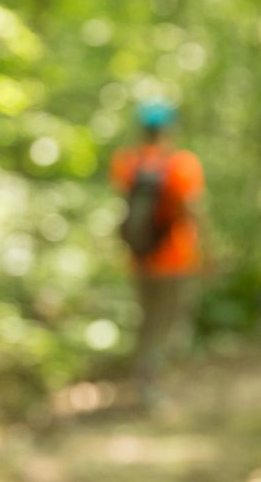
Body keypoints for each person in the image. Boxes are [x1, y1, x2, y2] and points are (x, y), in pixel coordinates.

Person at [109, 98, 206, 408]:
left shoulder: (126, 162)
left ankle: (145, 381)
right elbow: (193, 211)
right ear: (169, 128)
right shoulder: (182, 165)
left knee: (147, 320)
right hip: (176, 258)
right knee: (166, 324)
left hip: (138, 257)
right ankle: (151, 386)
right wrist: (207, 251)